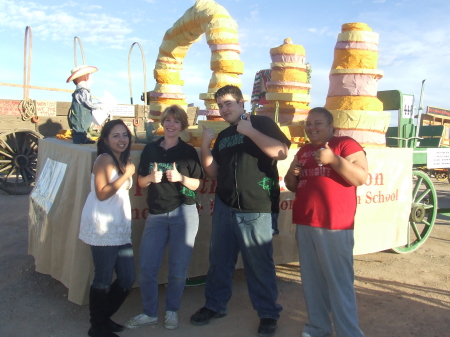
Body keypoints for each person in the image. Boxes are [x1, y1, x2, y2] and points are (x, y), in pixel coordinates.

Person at [190, 85, 290, 337]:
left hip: (256, 207)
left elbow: (281, 152)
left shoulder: (262, 123)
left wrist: (251, 132)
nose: (224, 109)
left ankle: (268, 314)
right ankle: (215, 305)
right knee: (220, 261)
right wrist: (205, 145)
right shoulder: (224, 136)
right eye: (220, 105)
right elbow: (213, 172)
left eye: (228, 104)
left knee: (259, 265)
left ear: (241, 103)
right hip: (225, 205)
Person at [284, 107, 368, 337]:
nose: (311, 128)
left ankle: (349, 333)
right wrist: (292, 173)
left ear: (331, 127)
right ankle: (317, 328)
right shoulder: (303, 151)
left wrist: (334, 160)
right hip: (305, 222)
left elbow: (361, 177)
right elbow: (292, 184)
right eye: (308, 124)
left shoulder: (345, 144)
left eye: (317, 123)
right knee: (312, 283)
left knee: (339, 283)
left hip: (335, 225)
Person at [125, 105, 203, 330]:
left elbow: (197, 184)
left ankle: (171, 311)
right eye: (167, 120)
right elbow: (140, 182)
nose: (171, 125)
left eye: (176, 121)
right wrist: (150, 177)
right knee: (147, 267)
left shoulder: (188, 151)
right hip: (157, 214)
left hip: (184, 213)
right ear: (162, 123)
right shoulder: (150, 149)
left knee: (178, 269)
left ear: (182, 126)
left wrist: (180, 177)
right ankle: (149, 312)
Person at [78, 119, 136, 337]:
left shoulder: (122, 160)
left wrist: (126, 173)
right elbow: (102, 193)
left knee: (127, 277)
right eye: (115, 136)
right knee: (103, 277)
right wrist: (126, 176)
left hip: (119, 227)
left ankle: (102, 319)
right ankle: (98, 325)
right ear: (105, 140)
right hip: (102, 226)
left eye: (124, 135)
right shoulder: (104, 159)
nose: (122, 140)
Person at [66, 65, 100, 144]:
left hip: (79, 114)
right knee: (81, 125)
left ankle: (81, 138)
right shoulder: (83, 91)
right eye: (89, 76)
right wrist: (100, 106)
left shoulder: (78, 91)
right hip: (81, 115)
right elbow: (88, 103)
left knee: (81, 126)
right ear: (85, 77)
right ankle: (80, 139)